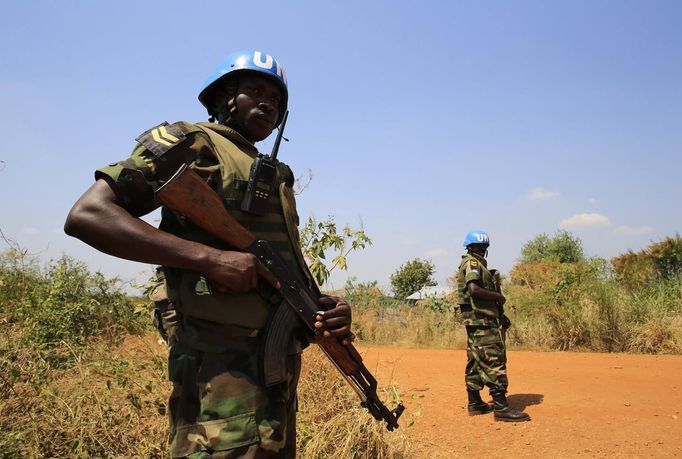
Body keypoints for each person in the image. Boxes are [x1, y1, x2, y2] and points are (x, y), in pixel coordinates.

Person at [64, 50, 353, 458]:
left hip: (275, 365)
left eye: (277, 98)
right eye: (255, 90)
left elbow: (283, 263)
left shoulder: (277, 174)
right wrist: (209, 259)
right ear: (223, 98)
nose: (268, 103)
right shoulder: (192, 143)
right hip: (218, 364)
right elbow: (89, 214)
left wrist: (324, 304)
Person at [456, 230, 530, 422]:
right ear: (470, 248)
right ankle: (501, 407)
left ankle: (475, 403)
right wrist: (498, 296)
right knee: (494, 359)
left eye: (484, 247)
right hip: (481, 321)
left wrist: (501, 315)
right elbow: (474, 290)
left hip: (479, 320)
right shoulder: (472, 263)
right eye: (479, 247)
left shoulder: (477, 264)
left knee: (475, 360)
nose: (482, 250)